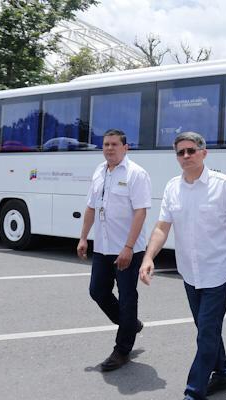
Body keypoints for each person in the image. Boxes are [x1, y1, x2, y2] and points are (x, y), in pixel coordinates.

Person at [139, 132, 226, 400]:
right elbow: (162, 227)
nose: (186, 156)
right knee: (205, 328)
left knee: (207, 332)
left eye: (191, 150)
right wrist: (149, 257)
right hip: (190, 272)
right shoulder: (172, 187)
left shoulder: (223, 185)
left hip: (219, 271)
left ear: (204, 153)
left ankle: (194, 396)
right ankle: (222, 374)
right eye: (180, 152)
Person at [77, 129, 151, 371]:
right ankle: (130, 325)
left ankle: (122, 349)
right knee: (97, 291)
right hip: (103, 246)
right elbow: (91, 207)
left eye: (114, 144)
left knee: (127, 297)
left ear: (125, 147)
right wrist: (83, 238)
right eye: (106, 144)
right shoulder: (99, 171)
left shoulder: (136, 174)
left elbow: (140, 212)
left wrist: (128, 247)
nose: (109, 148)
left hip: (128, 249)